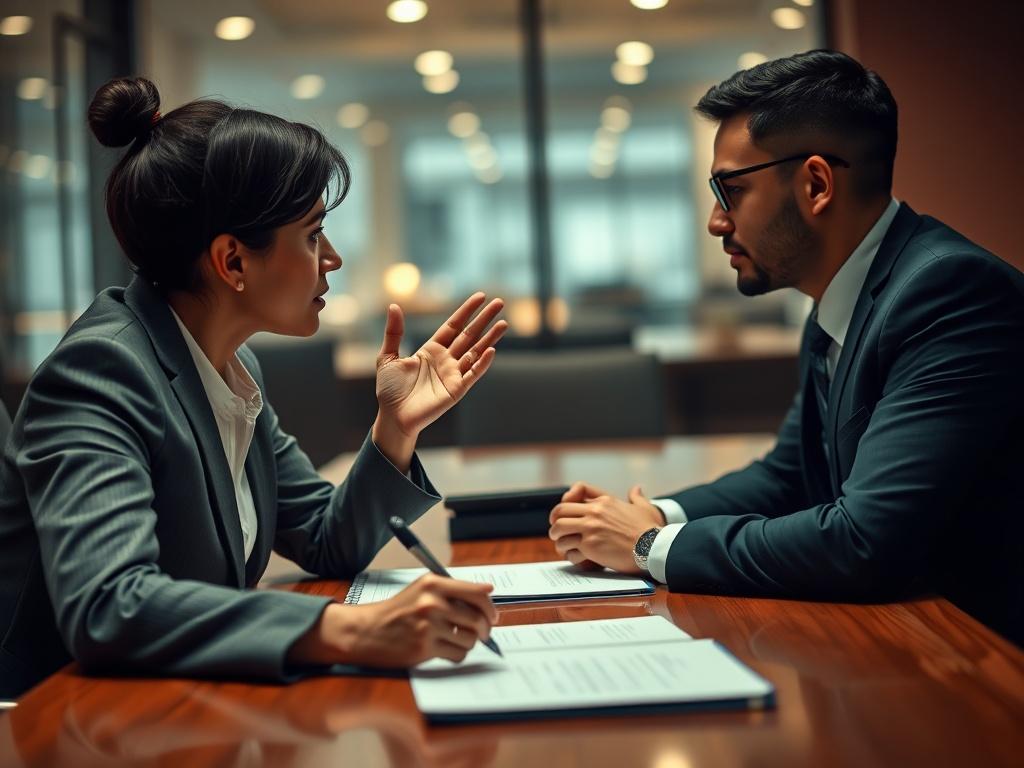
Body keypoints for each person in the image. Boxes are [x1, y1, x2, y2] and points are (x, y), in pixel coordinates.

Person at [0, 77, 509, 699]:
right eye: (313, 235)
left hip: (177, 704)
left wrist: (395, 428)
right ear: (233, 261)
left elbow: (326, 540)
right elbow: (109, 605)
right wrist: (347, 630)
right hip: (63, 721)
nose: (334, 260)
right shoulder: (101, 372)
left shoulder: (225, 366)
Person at [548, 50, 1024, 644]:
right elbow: (790, 477)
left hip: (983, 662)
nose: (716, 222)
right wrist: (651, 517)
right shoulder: (839, 300)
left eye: (731, 190)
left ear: (816, 184)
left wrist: (648, 547)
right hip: (910, 640)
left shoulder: (950, 294)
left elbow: (865, 543)